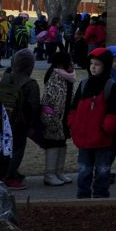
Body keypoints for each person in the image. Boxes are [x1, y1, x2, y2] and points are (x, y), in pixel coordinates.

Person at [68, 47, 116, 199]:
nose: (93, 67)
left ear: (105, 65)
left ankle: (100, 198)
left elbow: (115, 112)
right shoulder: (84, 84)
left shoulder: (110, 86)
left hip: (102, 140)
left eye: (97, 64)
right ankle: (83, 197)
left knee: (102, 171)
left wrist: (106, 129)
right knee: (84, 170)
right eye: (91, 63)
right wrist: (73, 124)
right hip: (84, 138)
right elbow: (74, 107)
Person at [0, 48, 39, 189]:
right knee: (17, 150)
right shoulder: (30, 83)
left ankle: (4, 172)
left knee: (5, 149)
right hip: (20, 123)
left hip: (1, 119)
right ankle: (9, 176)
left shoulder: (6, 77)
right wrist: (34, 124)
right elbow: (33, 107)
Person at [40, 51, 77, 186]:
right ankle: (49, 174)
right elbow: (49, 98)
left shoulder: (67, 77)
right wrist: (50, 117)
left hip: (64, 116)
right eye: (70, 61)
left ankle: (58, 171)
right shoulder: (55, 76)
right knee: (53, 143)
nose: (72, 63)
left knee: (62, 142)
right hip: (54, 117)